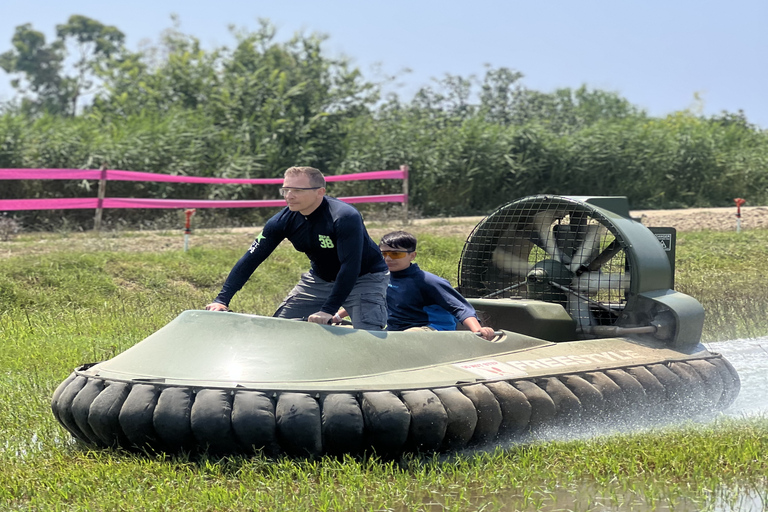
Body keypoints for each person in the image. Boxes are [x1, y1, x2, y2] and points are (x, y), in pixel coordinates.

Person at [205, 166, 389, 330]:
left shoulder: (345, 217)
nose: (289, 196)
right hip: (319, 280)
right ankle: (335, 328)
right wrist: (222, 299)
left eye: (297, 190)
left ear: (320, 192)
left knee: (367, 337)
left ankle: (341, 326)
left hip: (364, 278)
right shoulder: (281, 221)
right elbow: (251, 258)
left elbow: (350, 266)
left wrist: (328, 310)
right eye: (285, 190)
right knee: (280, 329)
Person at [337, 230, 496, 340]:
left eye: (396, 254)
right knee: (342, 334)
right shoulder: (380, 278)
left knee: (405, 338)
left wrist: (478, 330)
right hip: (397, 330)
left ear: (412, 255)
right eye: (383, 254)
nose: (388, 259)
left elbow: (460, 308)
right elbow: (365, 300)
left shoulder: (428, 281)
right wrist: (336, 316)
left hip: (430, 329)